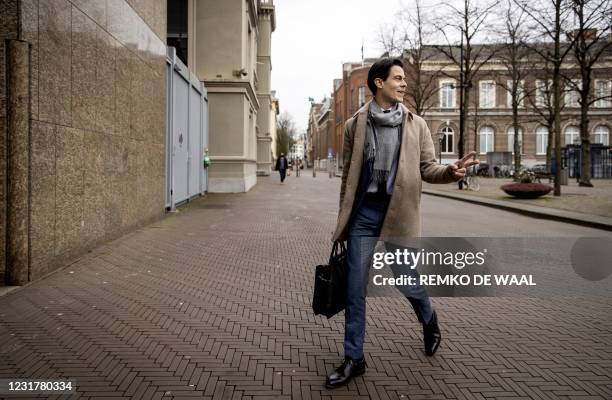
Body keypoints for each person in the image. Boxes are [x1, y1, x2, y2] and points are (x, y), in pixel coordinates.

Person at [326, 57, 479, 389]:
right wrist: (343, 222)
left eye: (404, 78)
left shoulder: (416, 125)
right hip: (364, 215)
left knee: (406, 281)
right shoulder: (356, 125)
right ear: (379, 83)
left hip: (399, 214)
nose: (404, 83)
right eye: (397, 78)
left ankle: (429, 318)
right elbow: (349, 181)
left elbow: (428, 168)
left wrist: (450, 172)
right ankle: (355, 358)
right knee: (354, 289)